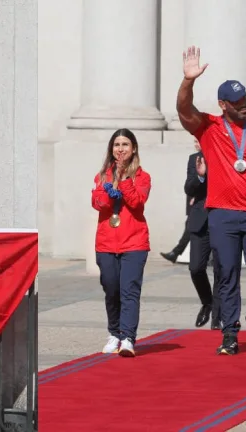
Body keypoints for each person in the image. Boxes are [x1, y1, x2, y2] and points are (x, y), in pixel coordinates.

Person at [176, 46, 246, 356]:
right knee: (227, 272)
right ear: (223, 104)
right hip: (221, 212)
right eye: (235, 103)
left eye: (244, 100)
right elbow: (183, 109)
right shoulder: (208, 127)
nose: (243, 105)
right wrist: (188, 81)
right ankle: (230, 332)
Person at [91, 128, 151, 357]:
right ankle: (114, 332)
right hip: (107, 242)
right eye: (117, 145)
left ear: (133, 148)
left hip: (134, 242)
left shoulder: (142, 176)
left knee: (129, 291)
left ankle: (127, 337)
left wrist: (124, 180)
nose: (121, 149)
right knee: (111, 289)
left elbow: (137, 203)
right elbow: (98, 204)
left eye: (125, 144)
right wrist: (110, 186)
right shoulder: (102, 176)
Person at [184, 148, 221, 329]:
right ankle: (207, 302)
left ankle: (218, 318)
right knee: (196, 268)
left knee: (221, 271)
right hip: (201, 220)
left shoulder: (227, 155)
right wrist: (200, 176)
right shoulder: (195, 158)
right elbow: (189, 188)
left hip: (223, 220)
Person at [161, 139, 202, 263]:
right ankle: (176, 252)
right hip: (194, 199)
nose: (195, 144)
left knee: (191, 227)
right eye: (194, 141)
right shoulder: (193, 158)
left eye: (197, 142)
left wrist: (196, 196)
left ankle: (176, 252)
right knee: (190, 226)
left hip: (200, 200)